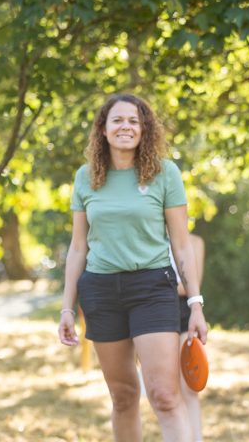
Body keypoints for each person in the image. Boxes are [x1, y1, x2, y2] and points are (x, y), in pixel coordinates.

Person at [58, 93, 208, 442]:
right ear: (104, 129)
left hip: (153, 289)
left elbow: (181, 243)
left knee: (165, 396)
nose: (125, 126)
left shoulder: (164, 173)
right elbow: (78, 247)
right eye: (117, 120)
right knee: (123, 396)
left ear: (144, 129)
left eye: (133, 121)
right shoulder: (86, 177)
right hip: (101, 292)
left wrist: (196, 305)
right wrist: (67, 307)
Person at [177, 234, 206, 442]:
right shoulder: (153, 240)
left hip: (184, 314)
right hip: (155, 315)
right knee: (168, 390)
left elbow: (191, 285)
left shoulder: (195, 242)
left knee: (189, 386)